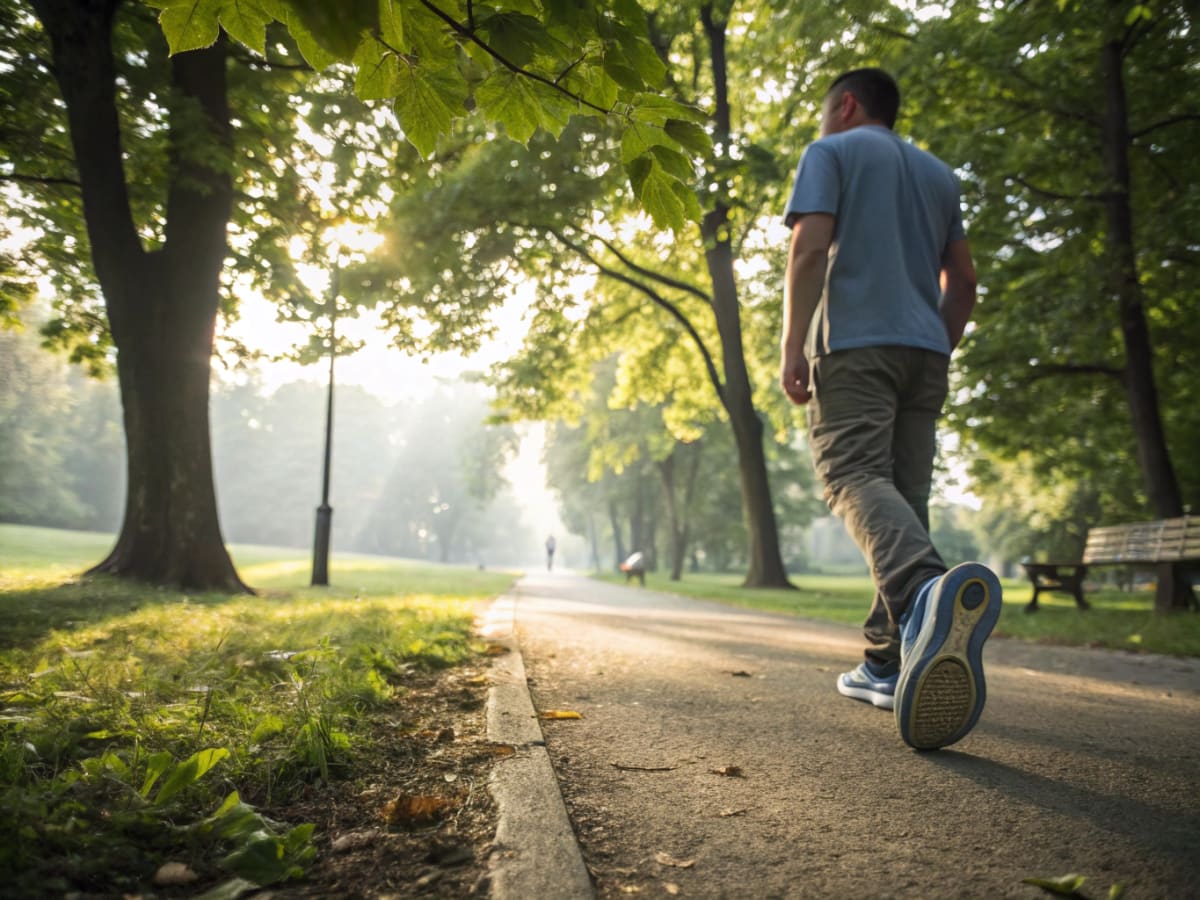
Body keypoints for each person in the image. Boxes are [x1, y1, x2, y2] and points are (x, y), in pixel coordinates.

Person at [779, 68, 1002, 750]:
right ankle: (886, 659)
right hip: (924, 350)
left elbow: (810, 247)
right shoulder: (940, 175)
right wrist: (937, 341)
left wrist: (793, 345)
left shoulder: (832, 152)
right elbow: (962, 280)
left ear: (845, 106)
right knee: (902, 497)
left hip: (855, 343)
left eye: (825, 111)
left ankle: (927, 596)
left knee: (851, 477)